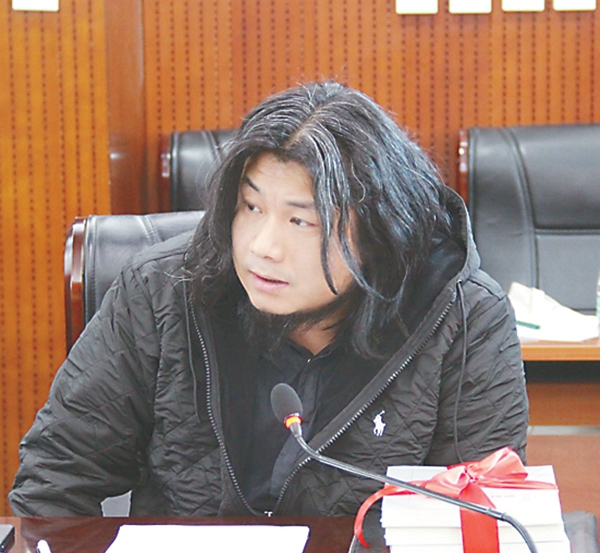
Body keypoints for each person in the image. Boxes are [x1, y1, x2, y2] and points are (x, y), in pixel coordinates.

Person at [9, 81, 528, 517]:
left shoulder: (462, 316)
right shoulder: (160, 291)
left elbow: (483, 522)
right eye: (250, 207)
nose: (262, 247)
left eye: (300, 221)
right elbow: (54, 483)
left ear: (379, 231)